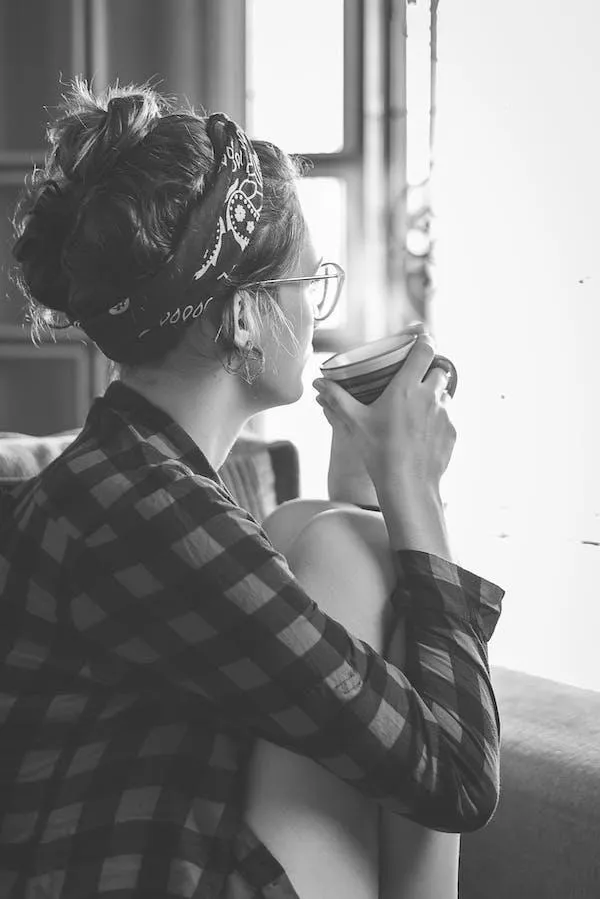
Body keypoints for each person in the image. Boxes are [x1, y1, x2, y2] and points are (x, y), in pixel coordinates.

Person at [0, 79, 504, 899]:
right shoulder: (153, 515)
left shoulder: (122, 479)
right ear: (240, 318)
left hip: (155, 835)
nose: (318, 313)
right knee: (346, 538)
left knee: (324, 520)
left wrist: (365, 489)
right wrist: (415, 491)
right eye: (308, 285)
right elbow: (457, 775)